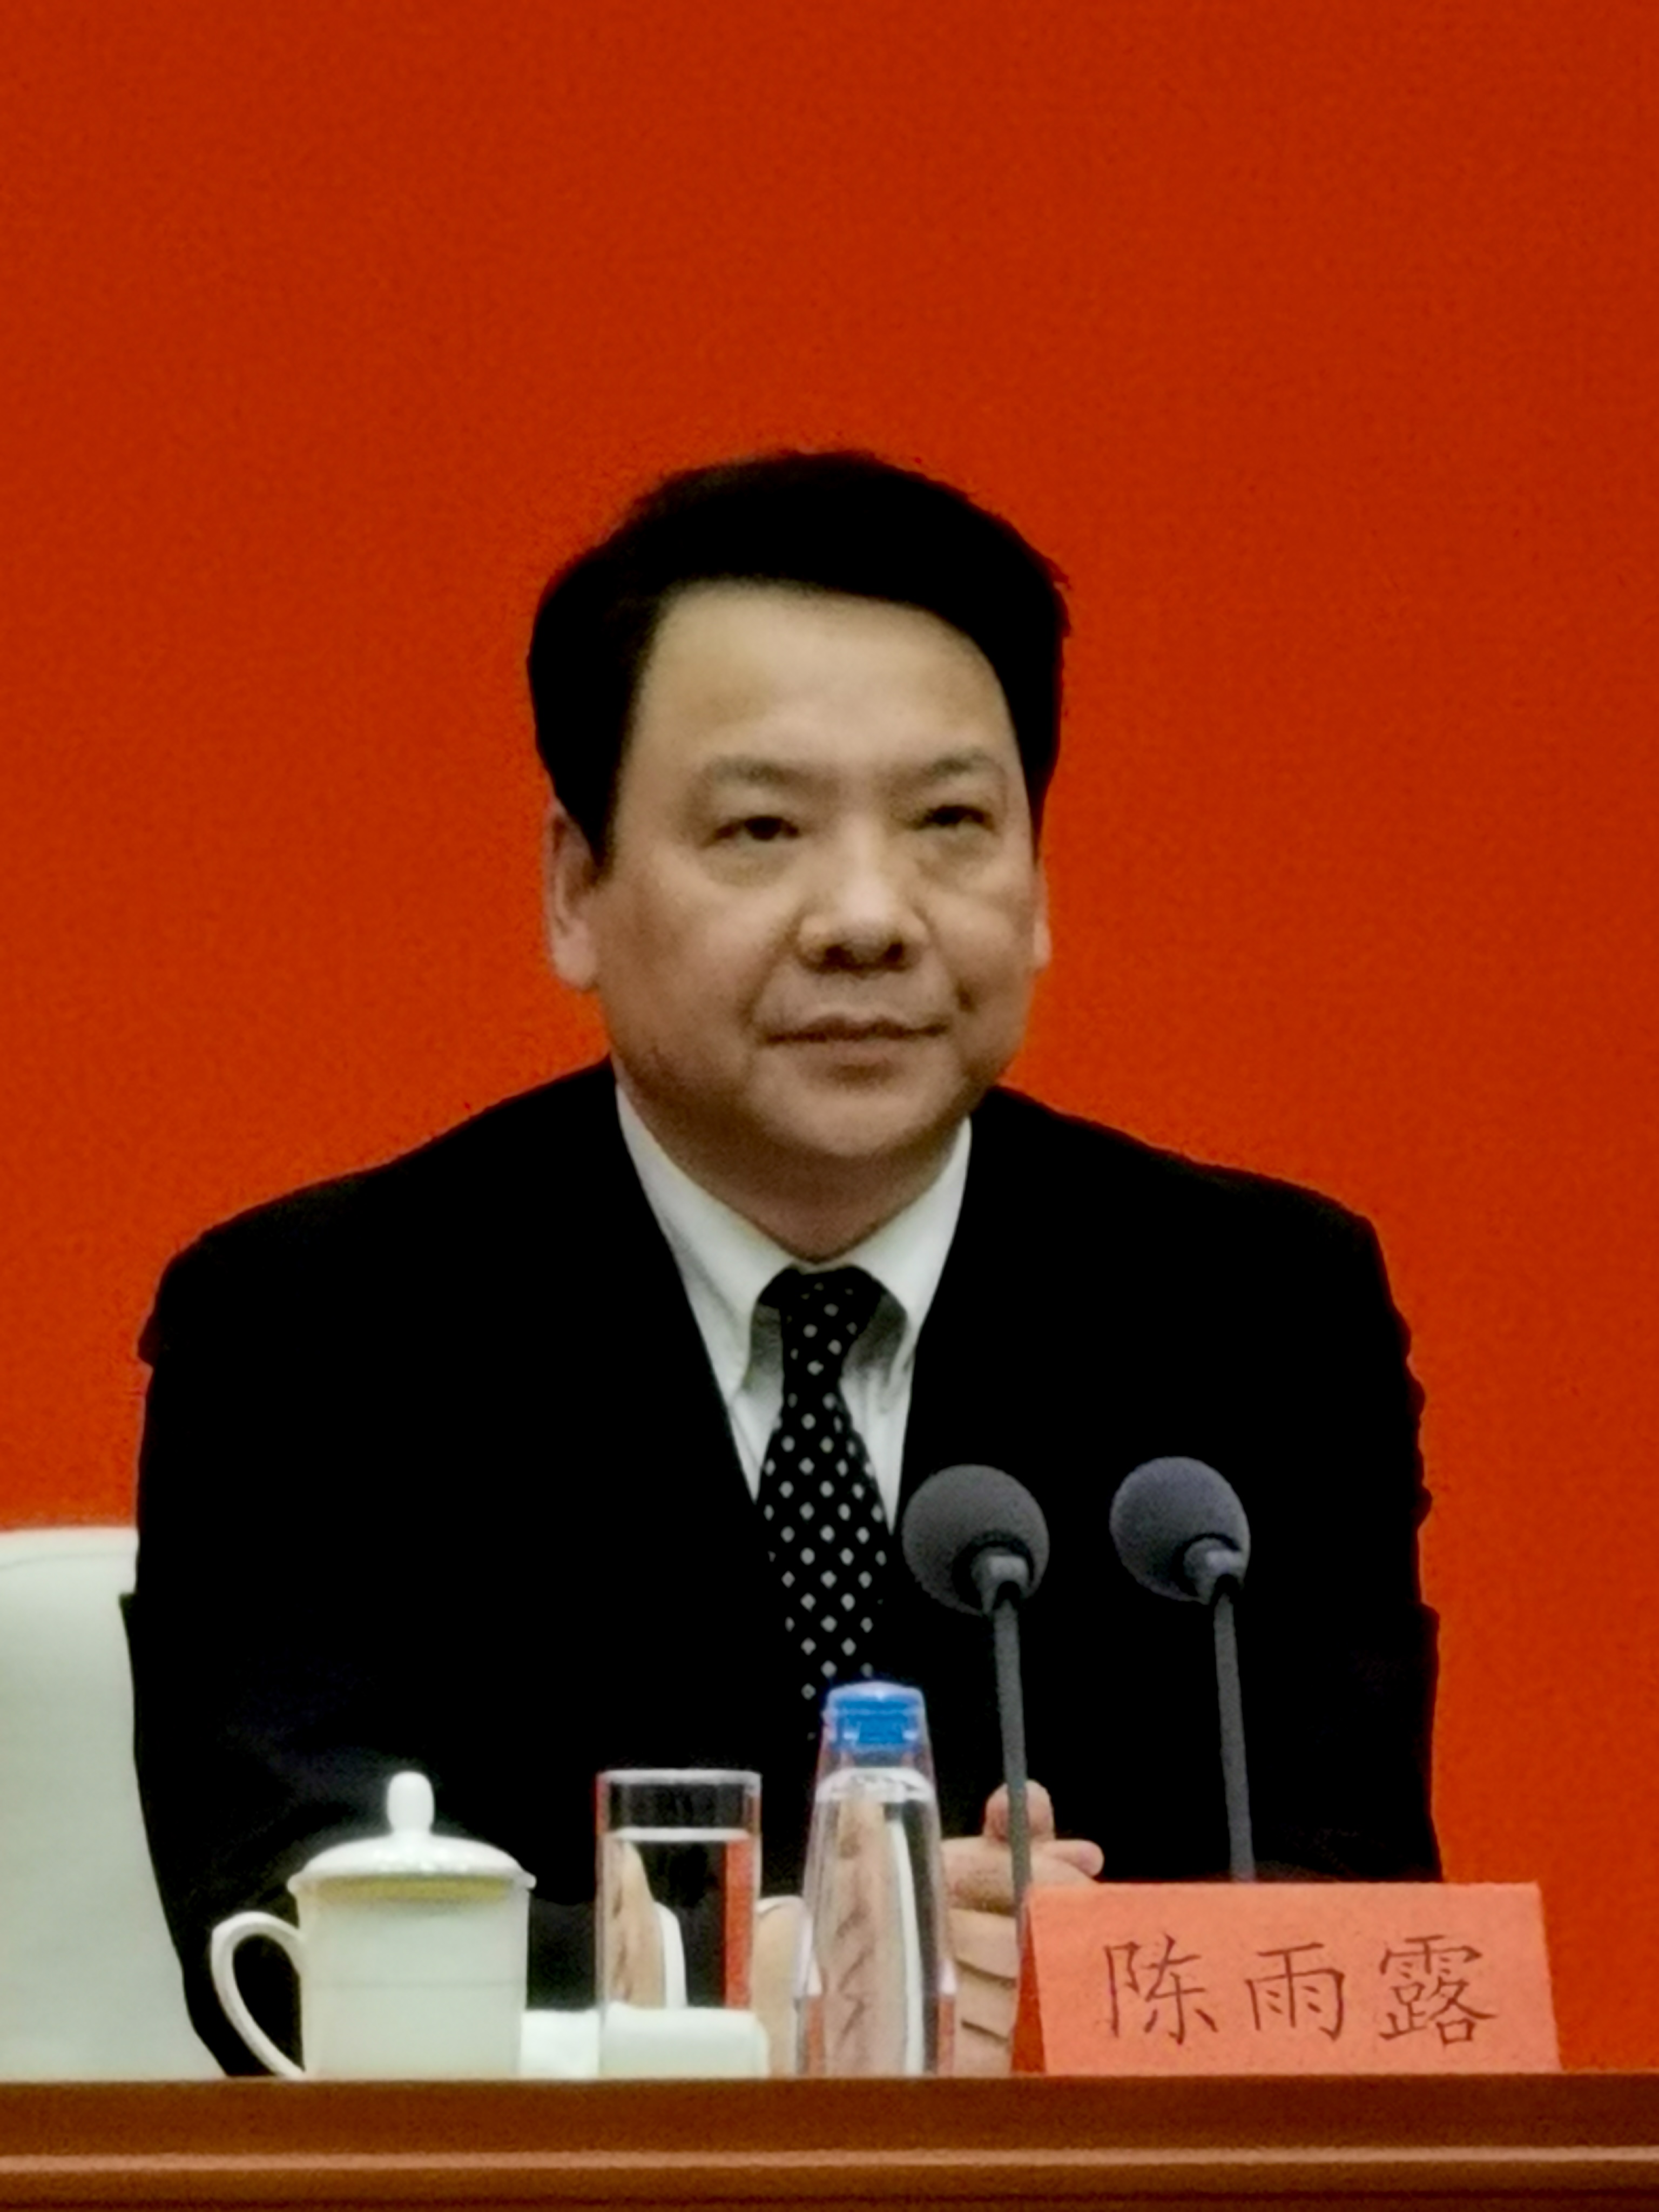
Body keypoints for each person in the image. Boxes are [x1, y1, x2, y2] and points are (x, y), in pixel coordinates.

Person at [128, 452, 1439, 2079]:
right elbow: (282, 1924)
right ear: (575, 890)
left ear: (1038, 883)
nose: (869, 916)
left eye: (952, 824)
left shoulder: (1258, 1310)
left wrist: (1063, 1987)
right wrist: (756, 1978)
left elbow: (1350, 1900)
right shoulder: (316, 1327)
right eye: (762, 828)